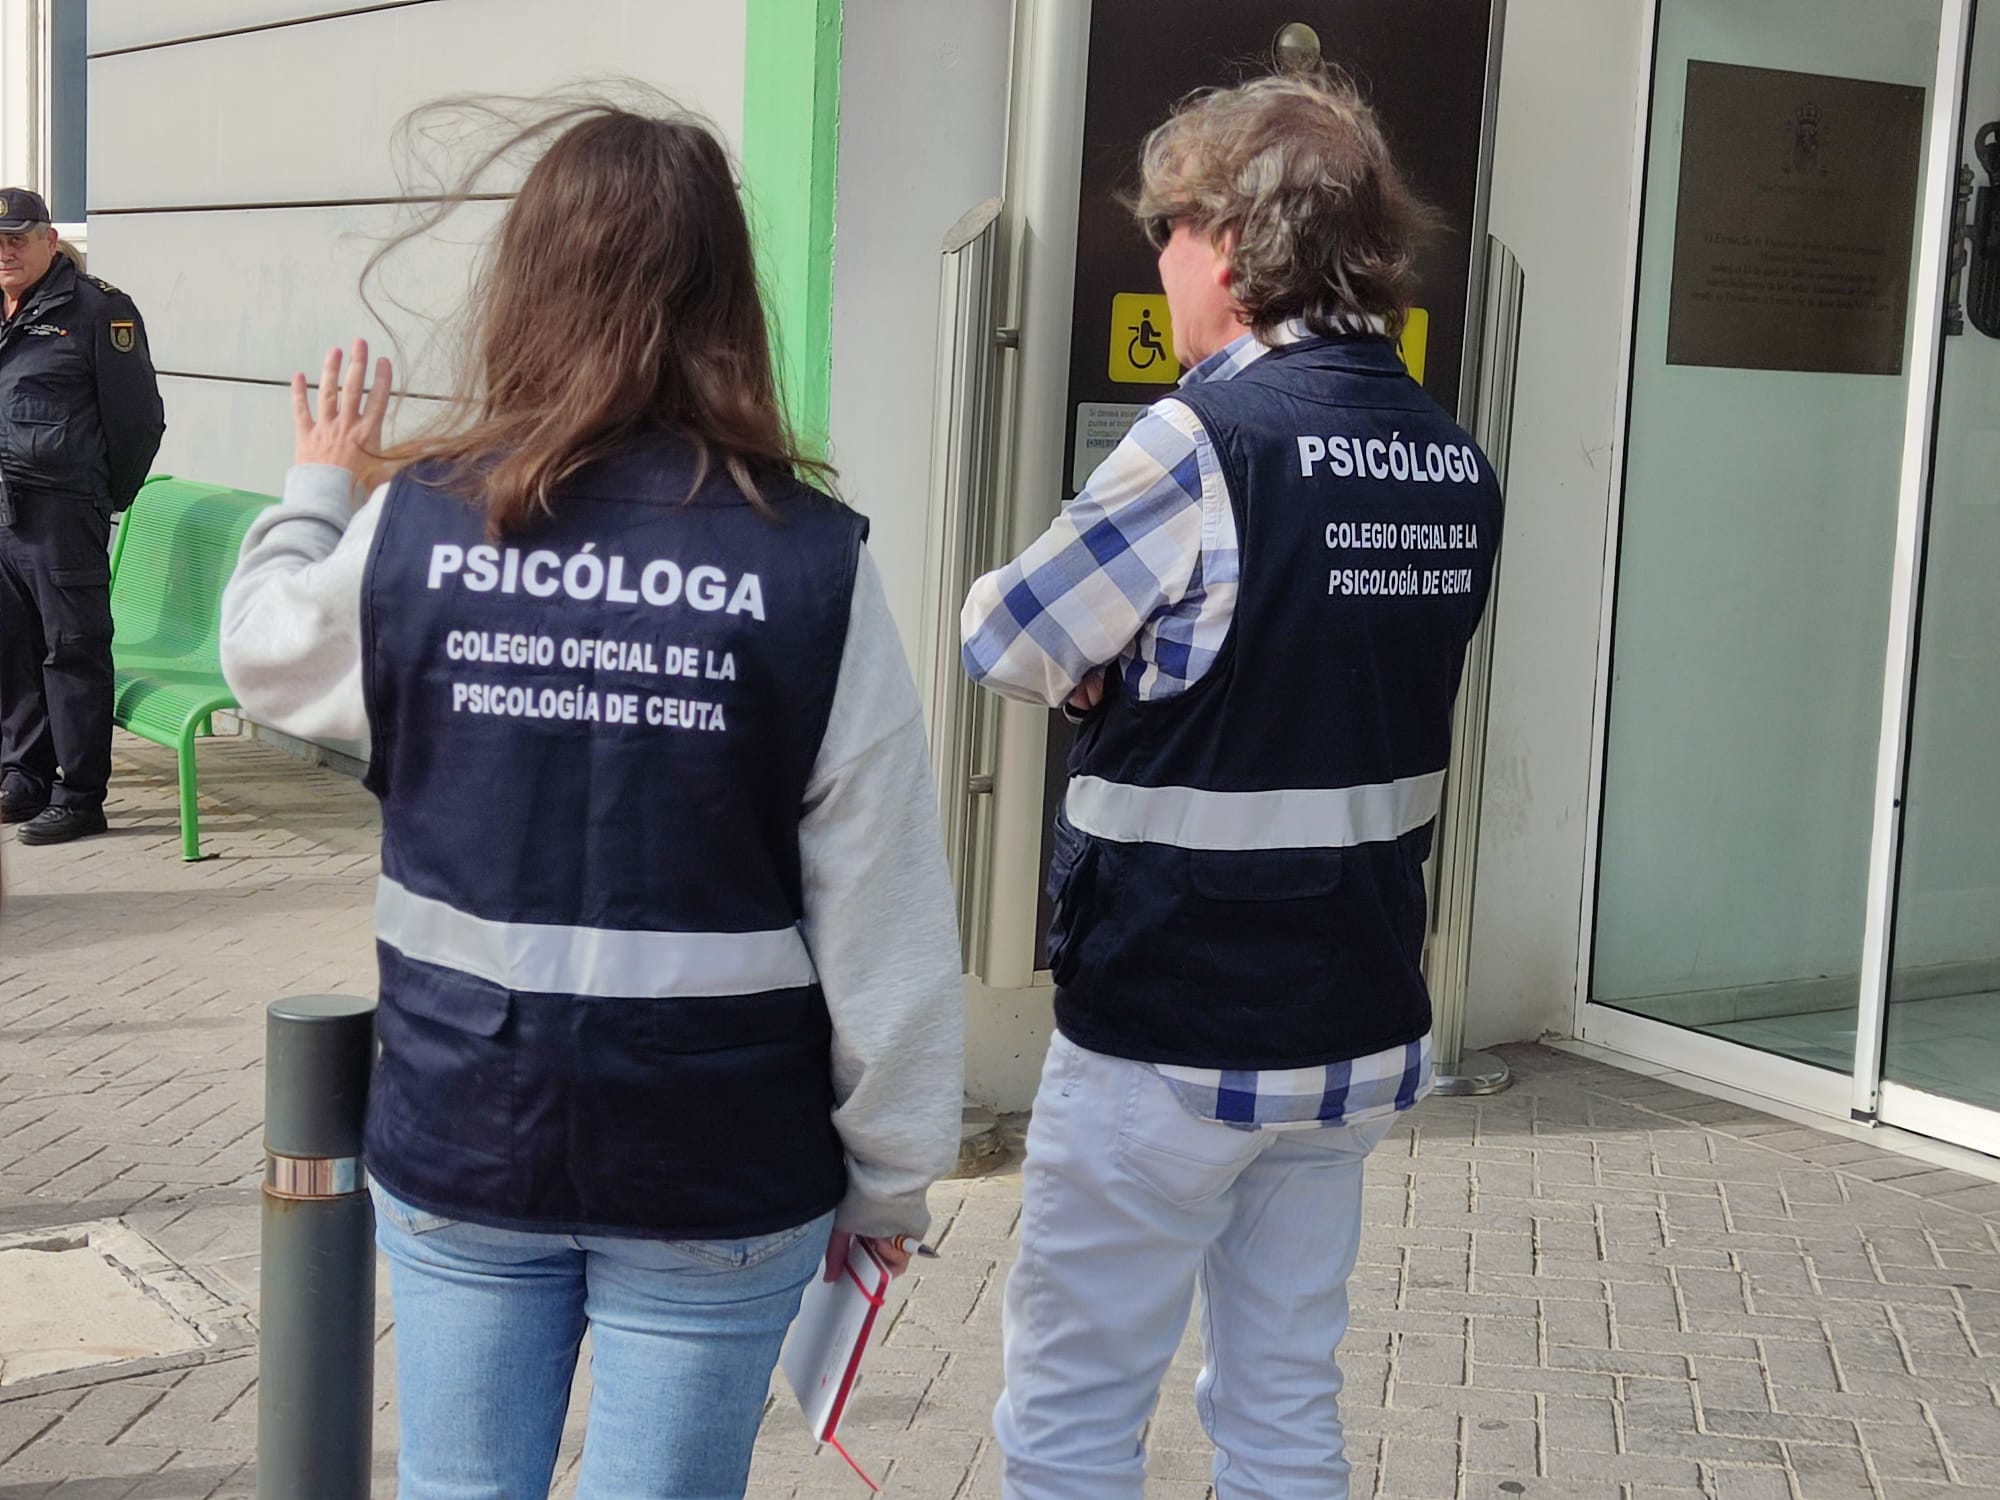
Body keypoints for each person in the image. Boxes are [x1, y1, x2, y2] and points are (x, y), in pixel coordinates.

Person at [218, 103, 965, 1499]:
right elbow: (884, 905)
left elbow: (264, 651)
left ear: (530, 283)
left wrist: (320, 486)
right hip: (716, 1163)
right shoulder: (808, 565)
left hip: (466, 1128)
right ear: (727, 300)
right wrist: (890, 1177)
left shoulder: (422, 524)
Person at [962, 71, 1504, 1500]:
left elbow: (1004, 635)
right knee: (1280, 1411)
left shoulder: (1206, 441)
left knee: (1072, 1418)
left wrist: (1105, 667)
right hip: (1352, 1017)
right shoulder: (1451, 461)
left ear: (1225, 239)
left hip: (1170, 1021)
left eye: (1165, 231)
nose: (1159, 261)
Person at [0, 187, 165, 845]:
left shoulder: (98, 311)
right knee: (13, 648)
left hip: (62, 512)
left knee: (72, 650)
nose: (6, 252)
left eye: (18, 238)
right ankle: (24, 776)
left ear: (49, 240)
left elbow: (137, 422)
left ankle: (80, 795)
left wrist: (101, 496)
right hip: (3, 509)